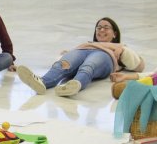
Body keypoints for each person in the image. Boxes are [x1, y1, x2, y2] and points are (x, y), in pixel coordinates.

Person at [16, 17, 144, 96]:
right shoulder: (87, 44)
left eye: (106, 28)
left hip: (105, 56)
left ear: (114, 33)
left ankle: (75, 85)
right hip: (83, 51)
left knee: (89, 66)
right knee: (62, 64)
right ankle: (42, 82)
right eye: (98, 28)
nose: (101, 30)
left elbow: (139, 65)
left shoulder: (120, 47)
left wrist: (121, 48)